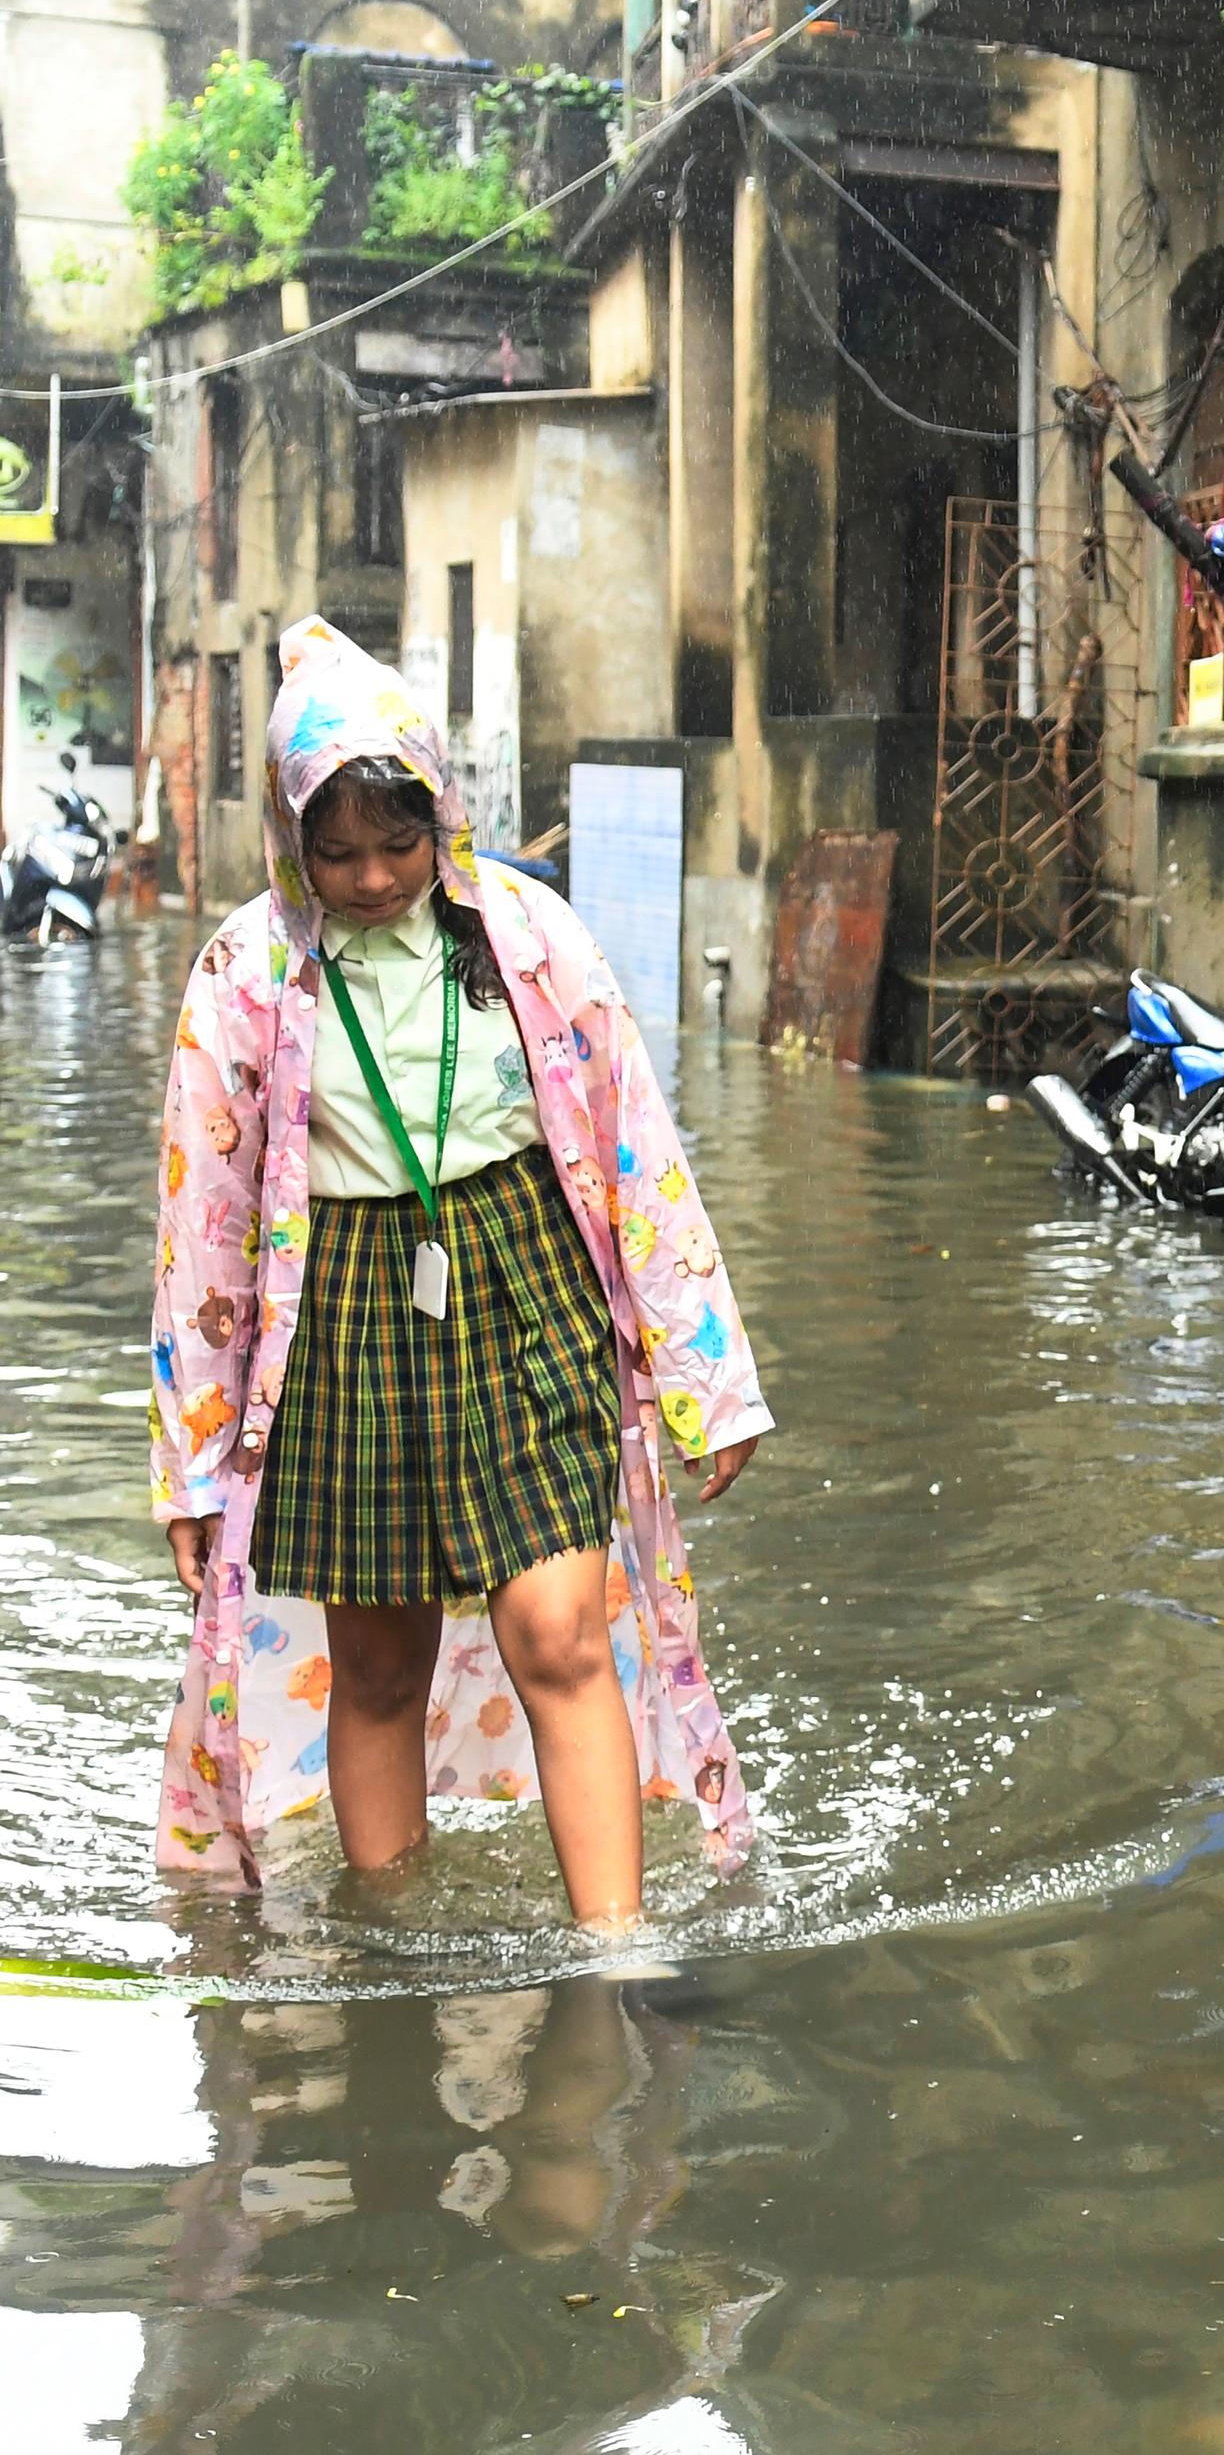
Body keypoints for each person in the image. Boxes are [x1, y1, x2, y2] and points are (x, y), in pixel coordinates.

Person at [149, 618, 769, 1928]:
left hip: (523, 1277)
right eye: (337, 851)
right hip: (339, 1312)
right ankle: (397, 1952)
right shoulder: (244, 977)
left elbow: (635, 1149)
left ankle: (614, 1953)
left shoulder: (528, 937)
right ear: (289, 840)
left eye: (398, 841)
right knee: (378, 1666)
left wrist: (707, 1376)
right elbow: (203, 1230)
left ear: (443, 814)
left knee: (561, 1631)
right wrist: (192, 1464)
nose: (374, 877)